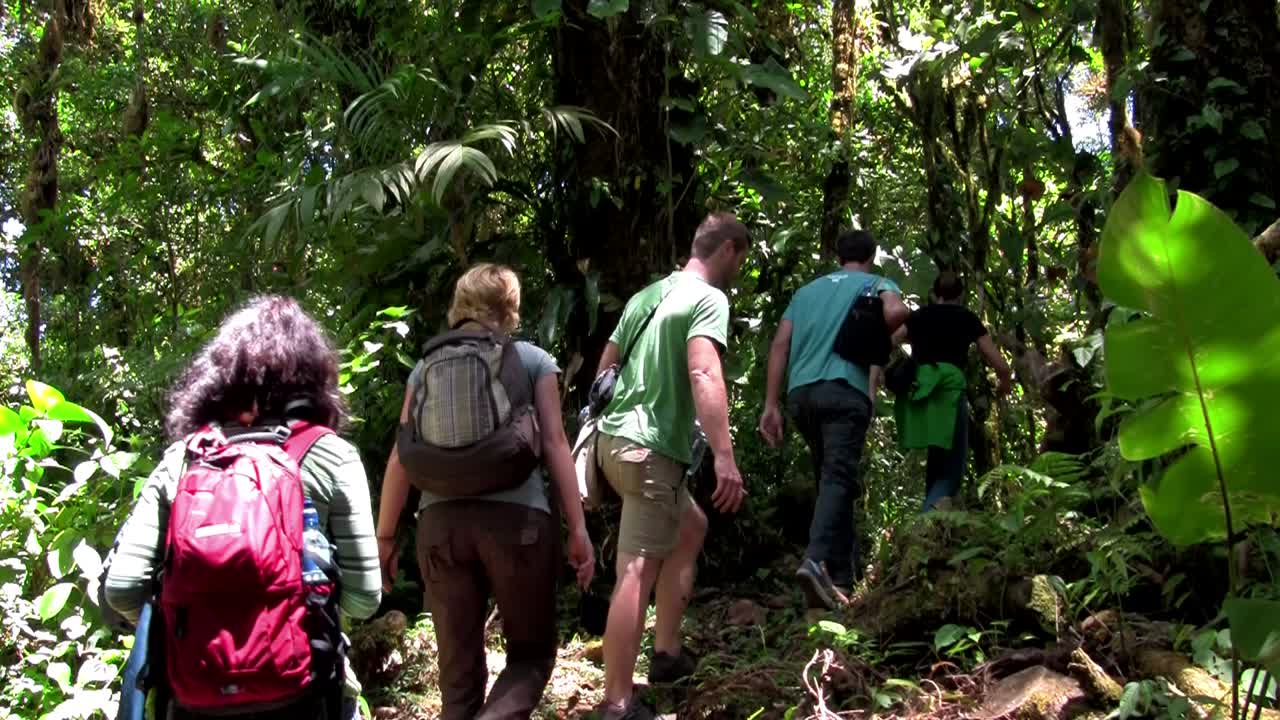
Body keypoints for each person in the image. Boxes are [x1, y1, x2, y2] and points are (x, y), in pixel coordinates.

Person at [103, 295, 383, 719]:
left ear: (221, 378)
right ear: (313, 379)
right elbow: (364, 599)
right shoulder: (332, 456)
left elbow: (122, 588)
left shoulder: (183, 459)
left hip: (194, 695)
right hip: (305, 694)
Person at [376, 263, 595, 720]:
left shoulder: (424, 368)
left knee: (458, 678)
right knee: (530, 657)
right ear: (510, 309)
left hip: (440, 529)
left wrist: (385, 538)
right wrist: (578, 529)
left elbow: (400, 457)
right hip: (518, 525)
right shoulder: (533, 360)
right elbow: (555, 445)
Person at [593, 212, 750, 720]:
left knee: (690, 526)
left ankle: (666, 653)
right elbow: (704, 370)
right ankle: (617, 702)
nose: (739, 270)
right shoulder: (708, 299)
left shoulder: (648, 295)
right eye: (741, 259)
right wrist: (724, 457)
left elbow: (606, 367)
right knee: (637, 568)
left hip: (614, 442)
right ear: (727, 249)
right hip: (650, 450)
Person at [758, 229, 909, 610]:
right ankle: (816, 560)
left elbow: (780, 344)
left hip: (802, 394)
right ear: (872, 256)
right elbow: (894, 313)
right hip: (845, 390)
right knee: (839, 477)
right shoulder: (877, 283)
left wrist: (770, 404)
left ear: (839, 256)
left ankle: (843, 575)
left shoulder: (806, 292)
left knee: (832, 477)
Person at [892, 270, 1013, 511]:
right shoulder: (966, 318)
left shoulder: (919, 317)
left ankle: (933, 524)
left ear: (934, 294)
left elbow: (889, 341)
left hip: (921, 389)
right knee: (952, 468)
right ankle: (927, 519)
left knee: (937, 458)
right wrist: (1004, 383)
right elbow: (997, 361)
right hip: (949, 390)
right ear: (961, 296)